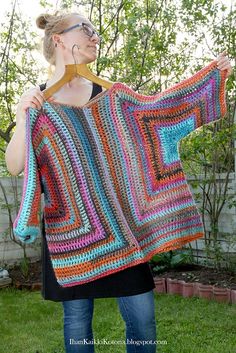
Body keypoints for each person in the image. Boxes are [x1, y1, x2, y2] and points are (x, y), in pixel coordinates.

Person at [5, 11, 232, 353]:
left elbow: (163, 114)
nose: (95, 37)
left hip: (126, 232)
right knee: (78, 324)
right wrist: (23, 115)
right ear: (60, 39)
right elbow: (15, 165)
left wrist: (208, 81)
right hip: (73, 237)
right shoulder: (38, 104)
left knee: (143, 320)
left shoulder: (116, 98)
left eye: (96, 31)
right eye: (87, 29)